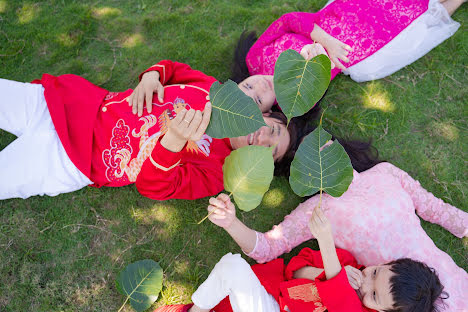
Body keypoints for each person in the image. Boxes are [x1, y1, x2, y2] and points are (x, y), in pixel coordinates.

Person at [0, 60, 293, 200]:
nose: (263, 137)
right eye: (274, 130)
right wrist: (152, 76)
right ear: (264, 114)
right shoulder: (211, 87)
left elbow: (154, 187)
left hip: (72, 161)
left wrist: (175, 141)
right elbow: (174, 68)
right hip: (72, 105)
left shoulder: (218, 172)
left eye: (270, 150)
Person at [206, 155, 468, 310]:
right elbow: (268, 248)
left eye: (328, 143)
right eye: (309, 155)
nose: (323, 153)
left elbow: (434, 208)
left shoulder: (385, 172)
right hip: (379, 300)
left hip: (444, 285)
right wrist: (231, 222)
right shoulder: (319, 208)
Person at [154, 208, 446, 312]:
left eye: (373, 294)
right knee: (233, 265)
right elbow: (296, 275)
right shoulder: (347, 261)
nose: (364, 282)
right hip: (269, 306)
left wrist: (327, 244)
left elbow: (343, 304)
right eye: (374, 272)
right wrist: (333, 267)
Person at [231, 0, 464, 112]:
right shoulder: (292, 102)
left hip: (331, 20)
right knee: (412, 24)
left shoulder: (254, 57)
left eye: (246, 87)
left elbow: (289, 20)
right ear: (268, 111)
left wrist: (324, 40)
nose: (258, 87)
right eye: (258, 99)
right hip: (354, 49)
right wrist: (318, 57)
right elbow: (327, 71)